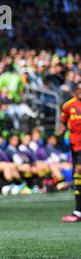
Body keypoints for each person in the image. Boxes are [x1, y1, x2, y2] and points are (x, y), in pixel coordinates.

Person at [60, 83, 81, 222]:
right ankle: (78, 211)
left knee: (79, 171)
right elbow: (62, 122)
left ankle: (78, 212)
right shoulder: (68, 106)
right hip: (75, 146)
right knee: (77, 175)